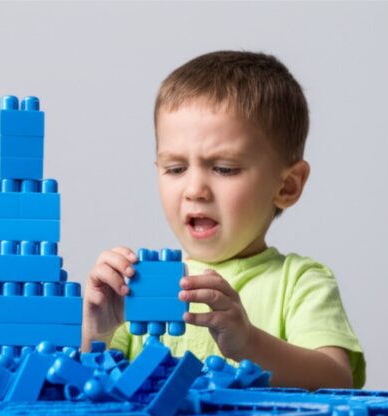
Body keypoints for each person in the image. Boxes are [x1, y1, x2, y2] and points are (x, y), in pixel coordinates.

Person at [81, 50, 365, 390]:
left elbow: (337, 378)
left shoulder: (300, 283)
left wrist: (249, 343)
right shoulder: (138, 287)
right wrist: (97, 330)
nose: (195, 189)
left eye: (224, 169)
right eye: (175, 169)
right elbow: (85, 388)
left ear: (287, 186)